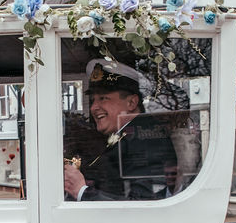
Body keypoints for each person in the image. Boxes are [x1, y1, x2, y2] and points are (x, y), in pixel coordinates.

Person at [63, 58, 177, 201]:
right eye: (93, 100)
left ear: (131, 102)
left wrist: (81, 191)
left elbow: (141, 206)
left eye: (103, 98)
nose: (93, 107)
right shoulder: (126, 136)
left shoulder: (143, 139)